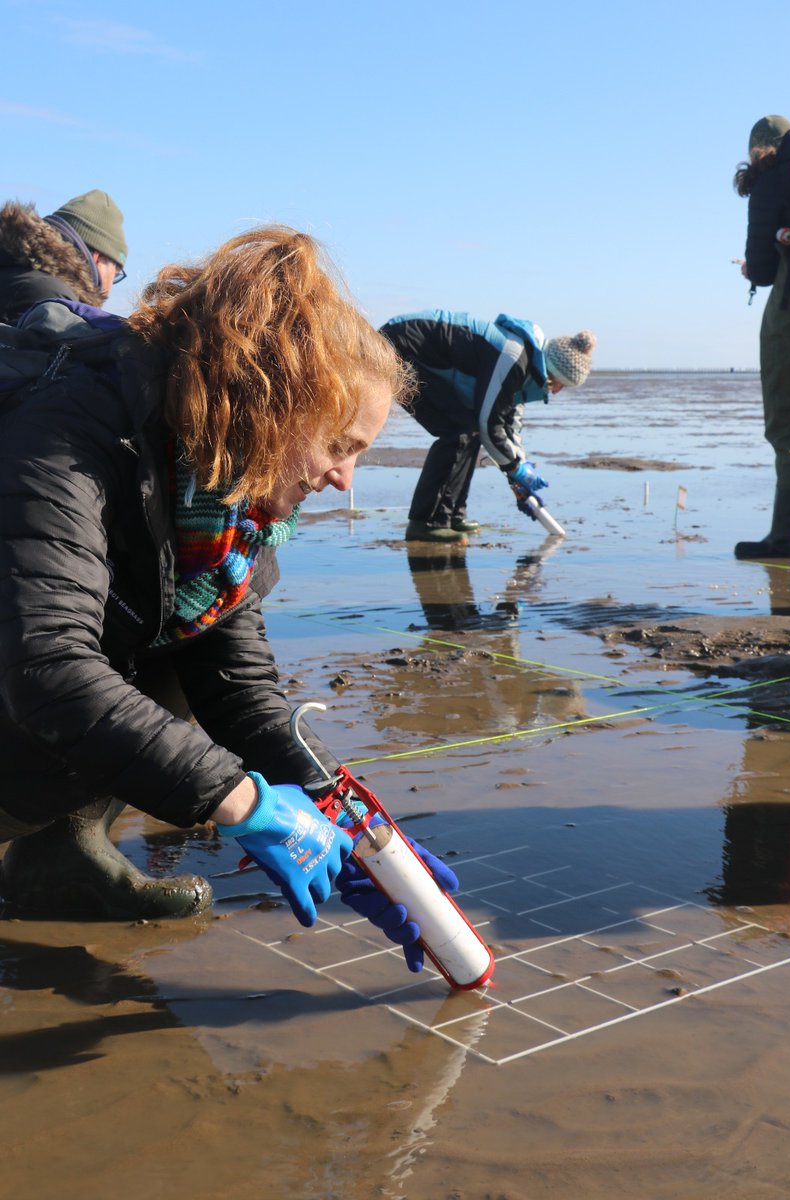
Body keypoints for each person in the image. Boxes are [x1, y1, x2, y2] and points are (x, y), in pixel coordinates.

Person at [0, 225, 457, 973]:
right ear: (275, 400)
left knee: (185, 656)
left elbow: (237, 686)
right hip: (20, 679)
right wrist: (244, 802)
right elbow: (48, 666)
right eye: (341, 445)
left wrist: (352, 823)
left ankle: (61, 855)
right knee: (86, 679)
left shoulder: (227, 502)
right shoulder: (69, 431)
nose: (344, 479)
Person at [379, 310, 597, 542]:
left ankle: (451, 516)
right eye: (558, 383)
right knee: (458, 431)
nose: (556, 391)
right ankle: (425, 523)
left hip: (417, 354)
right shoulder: (513, 356)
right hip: (396, 348)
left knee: (468, 430)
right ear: (549, 370)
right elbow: (490, 424)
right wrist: (514, 469)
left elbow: (509, 426)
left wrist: (519, 475)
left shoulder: (527, 367)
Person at [733, 115, 790, 560]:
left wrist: (750, 269)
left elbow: (760, 268)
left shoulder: (772, 179)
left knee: (789, 426)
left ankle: (782, 539)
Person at [0, 188, 128, 324]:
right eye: (115, 275)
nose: (110, 289)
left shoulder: (13, 269)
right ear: (99, 259)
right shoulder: (52, 300)